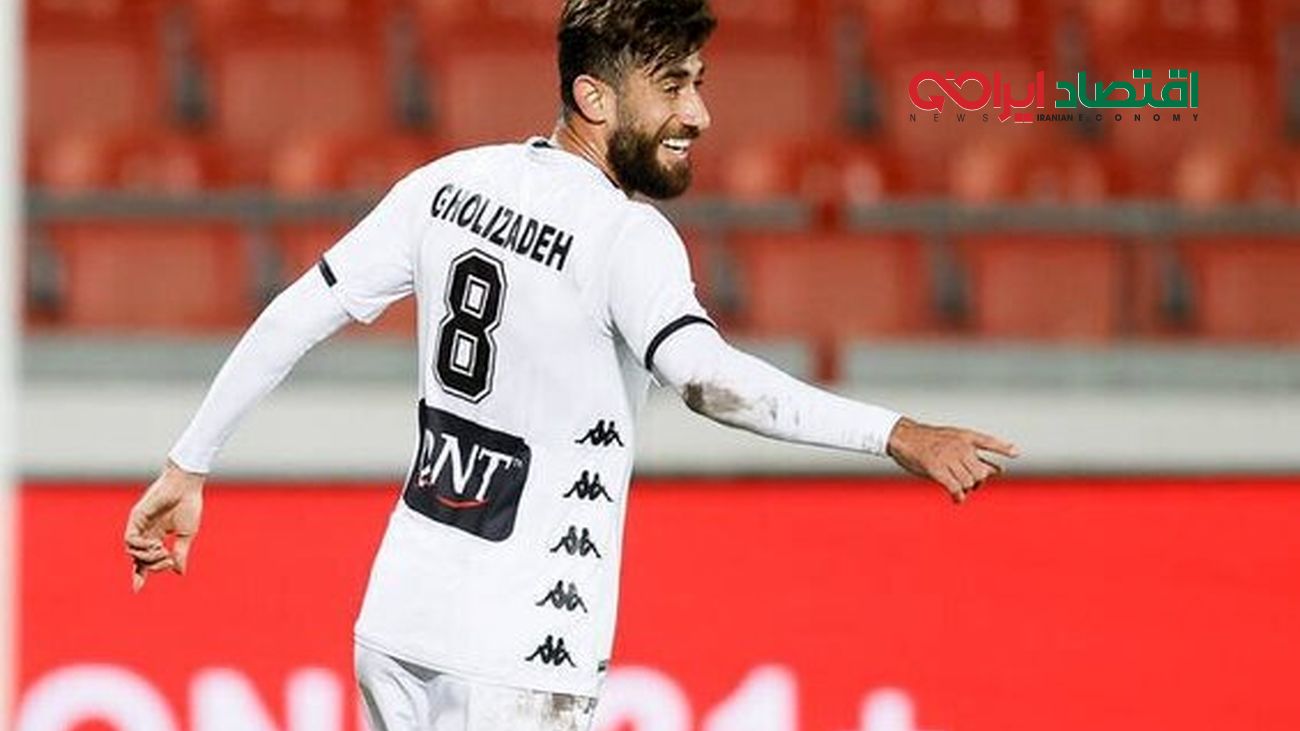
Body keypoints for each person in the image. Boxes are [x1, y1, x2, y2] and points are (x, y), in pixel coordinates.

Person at [123, 0, 1019, 728]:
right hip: (523, 651)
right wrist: (893, 432)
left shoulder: (448, 183)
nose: (698, 115)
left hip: (398, 624)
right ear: (594, 97)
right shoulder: (625, 235)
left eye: (699, 84)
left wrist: (188, 463)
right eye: (671, 87)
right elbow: (707, 380)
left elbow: (295, 315)